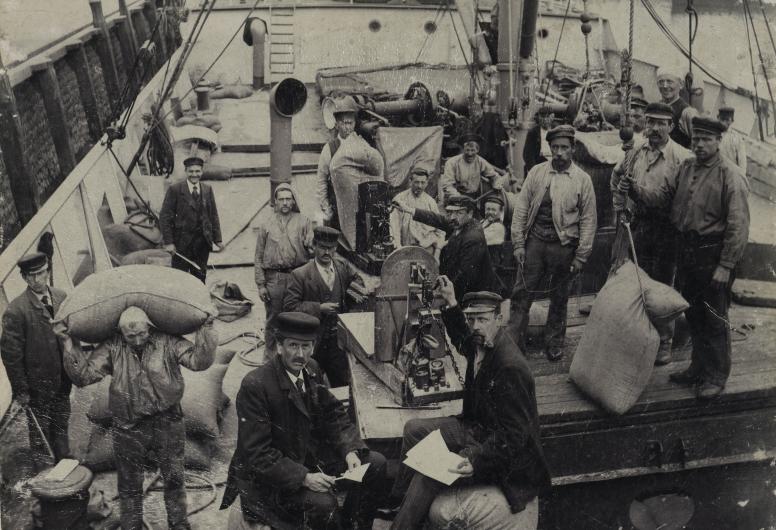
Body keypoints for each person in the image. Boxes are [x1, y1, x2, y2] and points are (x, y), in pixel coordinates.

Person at [389, 283, 550, 529]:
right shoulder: (481, 342)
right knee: (414, 430)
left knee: (427, 473)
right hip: (475, 428)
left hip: (499, 454)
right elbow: (461, 339)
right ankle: (399, 503)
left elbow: (514, 438)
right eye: (471, 319)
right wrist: (451, 303)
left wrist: (475, 458)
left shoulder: (510, 367)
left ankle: (402, 525)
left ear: (499, 319)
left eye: (482, 319)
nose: (475, 326)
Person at [619, 117, 750, 400]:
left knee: (714, 316)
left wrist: (725, 266)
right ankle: (698, 367)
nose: (700, 144)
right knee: (693, 313)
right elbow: (663, 198)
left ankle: (716, 376)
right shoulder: (687, 167)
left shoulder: (730, 175)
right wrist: (635, 190)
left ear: (718, 141)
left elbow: (738, 227)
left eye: (706, 139)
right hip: (687, 253)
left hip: (713, 254)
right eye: (696, 139)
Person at [220, 312, 387, 530]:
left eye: (306, 346)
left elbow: (333, 413)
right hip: (271, 480)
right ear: (279, 347)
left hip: (308, 458)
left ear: (313, 346)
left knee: (375, 464)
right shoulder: (256, 385)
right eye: (293, 345)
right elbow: (258, 454)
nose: (300, 354)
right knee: (324, 504)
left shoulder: (311, 369)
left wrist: (349, 450)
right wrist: (304, 477)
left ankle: (353, 525)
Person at [59, 306, 217, 530]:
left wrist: (207, 330)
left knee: (174, 479)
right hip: (128, 426)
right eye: (130, 336)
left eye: (142, 333)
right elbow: (83, 376)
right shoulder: (113, 346)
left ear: (150, 327)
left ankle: (179, 525)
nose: (137, 340)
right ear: (121, 333)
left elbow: (198, 361)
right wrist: (68, 343)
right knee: (129, 486)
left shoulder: (168, 341)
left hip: (167, 421)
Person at [610, 102, 693, 364]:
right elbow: (616, 177)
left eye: (661, 123)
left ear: (671, 126)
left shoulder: (683, 158)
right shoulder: (636, 151)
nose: (655, 128)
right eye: (650, 122)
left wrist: (634, 190)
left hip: (668, 231)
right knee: (637, 281)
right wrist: (620, 205)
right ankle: (640, 335)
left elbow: (667, 199)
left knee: (662, 286)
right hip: (640, 226)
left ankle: (664, 342)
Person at [508, 125, 597, 361]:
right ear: (549, 148)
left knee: (559, 296)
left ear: (572, 149)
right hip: (535, 242)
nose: (559, 152)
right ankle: (513, 343)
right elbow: (521, 209)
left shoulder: (582, 180)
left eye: (564, 147)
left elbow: (589, 220)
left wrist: (581, 256)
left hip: (563, 245)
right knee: (521, 293)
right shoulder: (536, 173)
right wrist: (518, 244)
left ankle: (555, 342)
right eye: (555, 147)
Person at [0, 252, 71, 466]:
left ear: (48, 271)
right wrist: (21, 390)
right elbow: (11, 356)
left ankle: (64, 463)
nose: (38, 279)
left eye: (41, 273)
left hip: (62, 379)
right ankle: (44, 471)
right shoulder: (16, 310)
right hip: (37, 386)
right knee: (41, 432)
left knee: (61, 422)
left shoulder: (61, 297)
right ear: (24, 277)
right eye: (32, 276)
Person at [283, 226, 366, 387]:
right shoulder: (300, 275)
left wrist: (350, 298)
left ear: (335, 248)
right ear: (314, 246)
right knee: (310, 384)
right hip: (312, 342)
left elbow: (358, 282)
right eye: (322, 247)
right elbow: (290, 307)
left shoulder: (342, 267)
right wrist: (319, 308)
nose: (327, 252)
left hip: (338, 343)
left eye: (331, 248)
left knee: (342, 384)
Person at [391, 195, 497, 300]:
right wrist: (409, 210)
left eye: (459, 213)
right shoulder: (462, 222)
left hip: (475, 296)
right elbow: (437, 219)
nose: (453, 217)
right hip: (459, 286)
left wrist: (440, 293)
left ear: (470, 213)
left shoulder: (473, 238)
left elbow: (463, 277)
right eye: (451, 212)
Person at [254, 183, 313, 356]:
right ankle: (270, 358)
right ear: (275, 202)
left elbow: (312, 250)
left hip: (298, 276)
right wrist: (261, 285)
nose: (285, 203)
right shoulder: (266, 224)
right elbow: (258, 256)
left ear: (294, 201)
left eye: (288, 199)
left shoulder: (304, 221)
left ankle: (297, 358)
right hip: (275, 279)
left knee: (299, 317)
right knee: (274, 319)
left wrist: (311, 243)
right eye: (281, 199)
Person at [315, 96, 383, 229]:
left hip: (360, 207)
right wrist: (327, 209)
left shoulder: (362, 144)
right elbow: (321, 182)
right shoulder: (329, 149)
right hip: (337, 208)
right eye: (344, 123)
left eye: (351, 123)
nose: (348, 128)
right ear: (337, 124)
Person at [160, 156, 223, 283]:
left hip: (202, 243)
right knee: (180, 278)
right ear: (186, 171)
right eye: (191, 171)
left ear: (202, 171)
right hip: (181, 244)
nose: (194, 174)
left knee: (200, 277)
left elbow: (213, 215)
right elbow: (165, 217)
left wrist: (217, 239)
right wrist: (169, 242)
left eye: (197, 171)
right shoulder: (175, 190)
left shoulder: (207, 189)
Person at [440, 133, 508, 207]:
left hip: (473, 199)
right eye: (467, 150)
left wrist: (496, 183)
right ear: (463, 149)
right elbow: (447, 185)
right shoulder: (452, 163)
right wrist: (459, 197)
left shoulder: (480, 161)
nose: (470, 154)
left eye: (473, 150)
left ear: (477, 150)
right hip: (455, 199)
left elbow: (494, 176)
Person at [389, 167, 444, 256]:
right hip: (406, 249)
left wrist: (437, 250)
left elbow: (440, 230)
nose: (420, 186)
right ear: (410, 182)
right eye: (416, 182)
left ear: (427, 183)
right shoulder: (400, 200)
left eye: (423, 182)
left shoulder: (431, 202)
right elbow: (394, 227)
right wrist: (398, 248)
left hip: (427, 249)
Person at [656, 69, 697, 149]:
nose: (665, 86)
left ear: (681, 84)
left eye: (669, 82)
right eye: (661, 82)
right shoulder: (657, 107)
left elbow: (697, 143)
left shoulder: (687, 112)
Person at [717, 106, 748, 176]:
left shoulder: (737, 138)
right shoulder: (712, 134)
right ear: (718, 118)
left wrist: (741, 177)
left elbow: (742, 163)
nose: (724, 122)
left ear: (732, 121)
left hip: (729, 174)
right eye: (722, 119)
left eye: (727, 120)